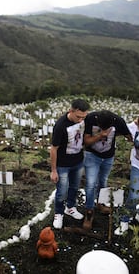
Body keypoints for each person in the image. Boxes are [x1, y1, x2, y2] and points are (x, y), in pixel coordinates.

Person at [83, 110, 131, 230]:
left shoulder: (119, 121)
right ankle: (89, 212)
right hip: (91, 155)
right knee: (90, 183)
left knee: (103, 181)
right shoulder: (90, 118)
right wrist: (100, 135)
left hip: (108, 156)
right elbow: (86, 141)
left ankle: (100, 203)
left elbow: (129, 136)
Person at [50, 98, 90, 229]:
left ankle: (71, 207)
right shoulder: (60, 126)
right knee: (61, 191)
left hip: (78, 161)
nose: (81, 120)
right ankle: (59, 213)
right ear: (71, 111)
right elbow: (54, 149)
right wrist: (54, 170)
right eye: (78, 116)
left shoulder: (83, 120)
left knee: (74, 187)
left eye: (83, 117)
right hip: (63, 165)